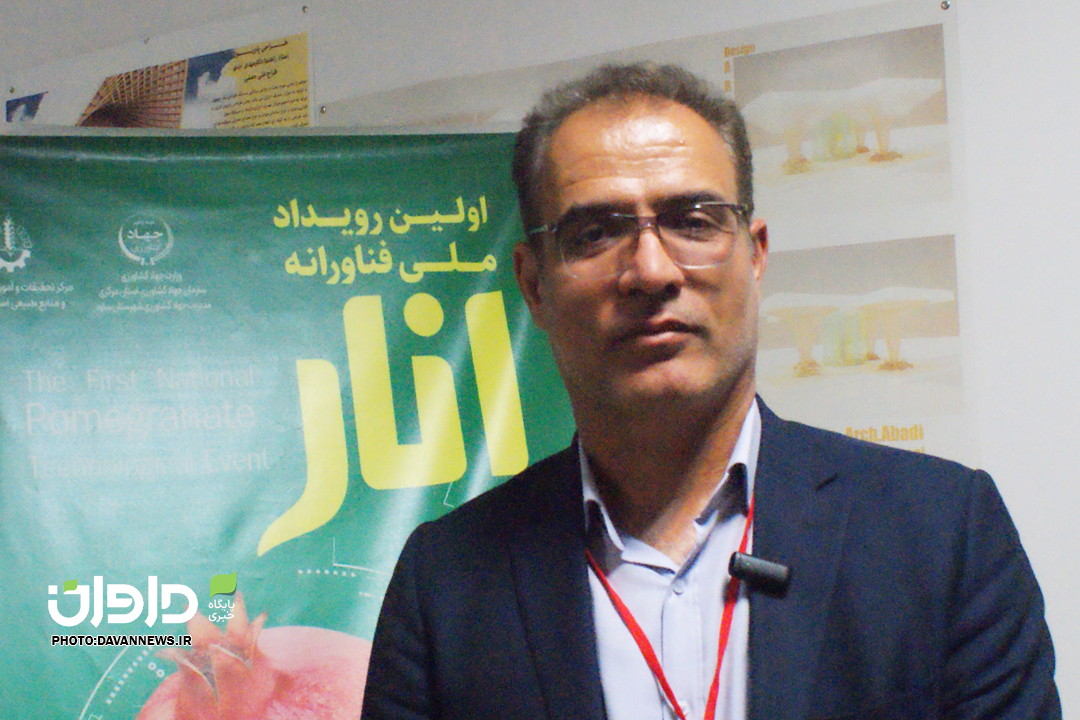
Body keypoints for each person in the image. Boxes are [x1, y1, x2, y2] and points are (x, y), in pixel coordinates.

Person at [360, 63, 1060, 720]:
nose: (652, 270)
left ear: (756, 255)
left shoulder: (942, 535)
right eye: (596, 232)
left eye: (693, 222)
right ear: (534, 284)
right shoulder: (444, 583)